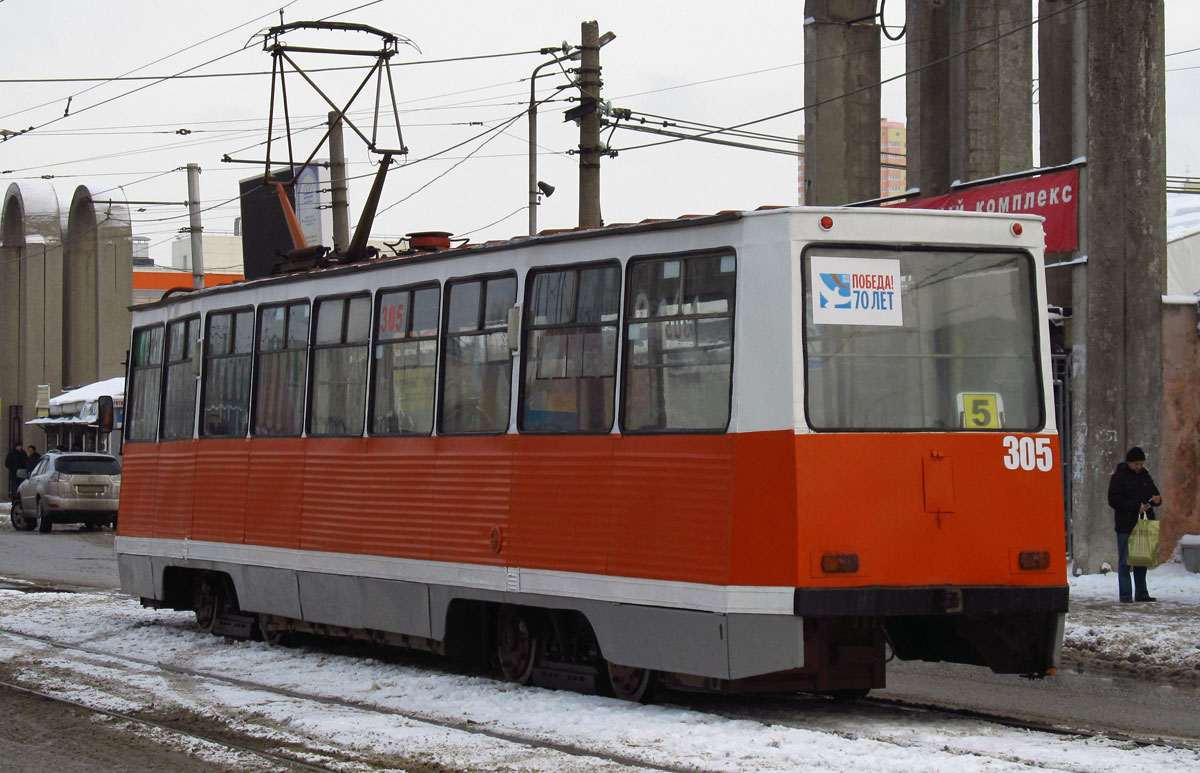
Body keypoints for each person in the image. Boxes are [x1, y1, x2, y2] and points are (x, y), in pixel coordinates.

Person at [1107, 446, 1162, 603]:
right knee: (1125, 560)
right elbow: (1114, 499)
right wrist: (1134, 506)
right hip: (1126, 523)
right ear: (1129, 463)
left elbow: (1154, 493)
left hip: (1144, 523)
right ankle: (1125, 595)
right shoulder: (1119, 476)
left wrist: (1156, 500)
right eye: (1136, 464)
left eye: (1141, 463)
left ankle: (1142, 593)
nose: (1139, 467)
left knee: (1141, 559)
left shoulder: (1145, 476)